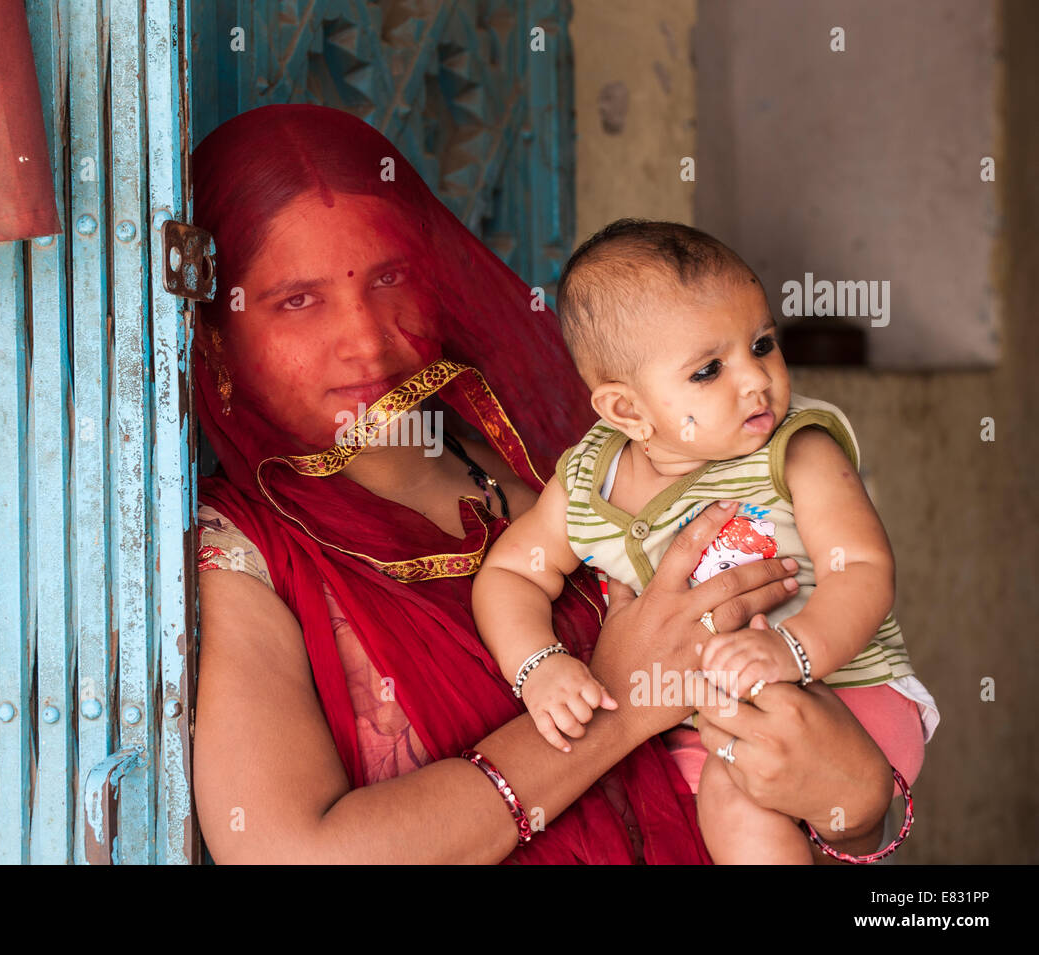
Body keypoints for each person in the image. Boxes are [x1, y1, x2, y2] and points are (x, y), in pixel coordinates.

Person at [191, 103, 899, 864]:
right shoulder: (248, 555)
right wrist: (618, 708)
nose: (365, 340)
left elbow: (806, 771)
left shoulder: (578, 461)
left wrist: (858, 802)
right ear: (214, 332)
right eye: (297, 300)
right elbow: (289, 854)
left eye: (389, 276)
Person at [474, 219, 937, 863]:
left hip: (846, 699)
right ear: (628, 412)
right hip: (710, 720)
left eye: (763, 343)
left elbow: (861, 566)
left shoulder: (794, 450)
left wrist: (792, 650)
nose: (755, 379)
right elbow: (514, 574)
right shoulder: (586, 478)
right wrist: (538, 666)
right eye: (710, 369)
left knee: (730, 790)